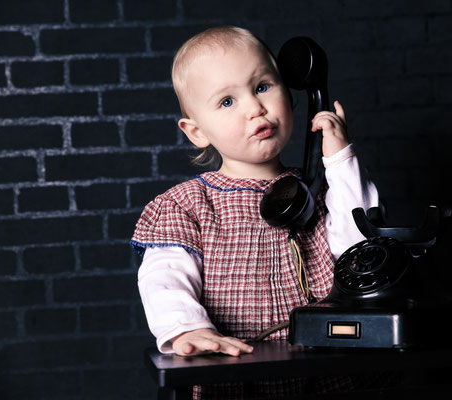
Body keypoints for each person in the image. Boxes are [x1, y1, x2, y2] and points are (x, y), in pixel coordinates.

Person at [131, 25, 379, 398]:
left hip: (327, 373)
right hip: (235, 380)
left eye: (263, 86)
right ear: (196, 131)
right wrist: (186, 328)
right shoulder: (186, 206)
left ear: (292, 96)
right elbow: (164, 280)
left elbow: (362, 248)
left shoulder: (323, 190)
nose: (254, 107)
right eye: (227, 102)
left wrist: (341, 162)